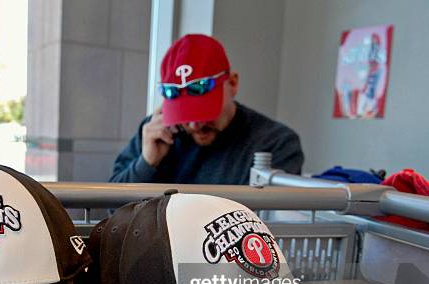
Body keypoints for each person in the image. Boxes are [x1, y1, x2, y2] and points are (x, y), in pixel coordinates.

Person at [110, 34, 304, 185]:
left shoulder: (276, 143)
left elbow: (263, 229)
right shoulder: (156, 133)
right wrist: (146, 163)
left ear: (233, 83)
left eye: (204, 111)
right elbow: (112, 211)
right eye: (184, 114)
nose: (195, 124)